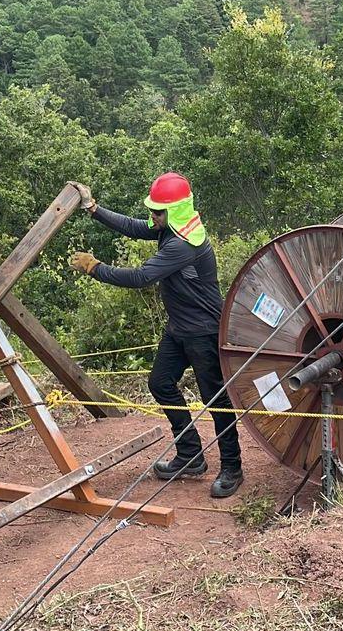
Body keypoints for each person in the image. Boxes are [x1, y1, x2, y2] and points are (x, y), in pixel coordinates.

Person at [69, 173, 243, 498]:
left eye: (157, 211)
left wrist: (95, 268)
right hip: (179, 328)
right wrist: (94, 208)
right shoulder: (172, 226)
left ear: (173, 212)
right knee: (160, 384)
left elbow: (141, 277)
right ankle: (190, 455)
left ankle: (232, 467)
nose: (152, 216)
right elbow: (135, 227)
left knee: (216, 401)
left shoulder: (182, 244)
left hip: (203, 332)